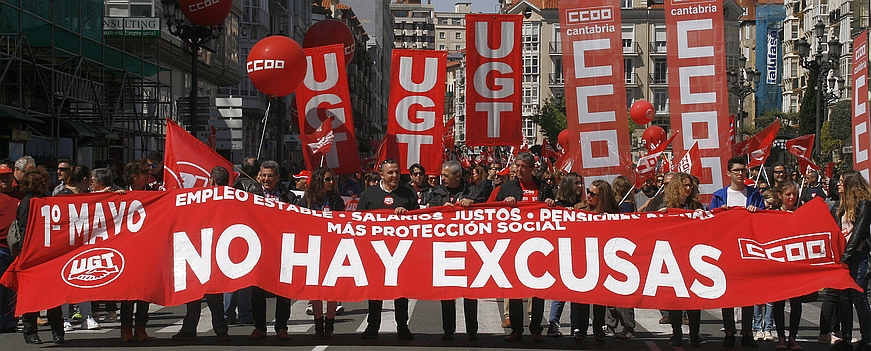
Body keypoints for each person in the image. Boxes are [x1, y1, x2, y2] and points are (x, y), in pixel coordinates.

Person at [496, 152, 555, 343]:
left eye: (523, 166)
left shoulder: (544, 188)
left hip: (538, 245)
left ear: (531, 169)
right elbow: (493, 212)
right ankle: (516, 329)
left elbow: (555, 213)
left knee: (537, 290)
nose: (519, 170)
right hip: (513, 244)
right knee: (515, 290)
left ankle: (536, 328)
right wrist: (505, 205)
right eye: (517, 166)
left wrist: (550, 204)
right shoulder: (506, 188)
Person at [358, 159, 419, 340]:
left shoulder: (407, 193)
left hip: (400, 250)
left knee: (401, 290)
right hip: (376, 250)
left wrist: (407, 214)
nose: (394, 176)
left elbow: (419, 219)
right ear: (382, 174)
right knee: (375, 290)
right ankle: (372, 326)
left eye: (397, 172)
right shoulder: (369, 193)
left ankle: (402, 326)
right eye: (390, 172)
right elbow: (359, 219)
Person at [172, 166, 232, 342]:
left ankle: (190, 328)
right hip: (216, 250)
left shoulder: (200, 197)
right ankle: (221, 330)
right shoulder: (232, 198)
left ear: (211, 180)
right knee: (214, 295)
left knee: (195, 293)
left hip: (199, 248)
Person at [710, 155, 765, 348]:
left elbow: (765, 220)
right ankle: (729, 331)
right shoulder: (719, 196)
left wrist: (756, 213)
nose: (741, 174)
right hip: (726, 251)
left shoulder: (755, 194)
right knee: (728, 293)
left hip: (748, 251)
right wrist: (720, 215)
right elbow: (709, 224)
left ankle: (747, 331)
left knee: (748, 293)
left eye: (744, 170)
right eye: (737, 171)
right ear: (729, 173)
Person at [427, 160, 481, 341]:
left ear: (457, 176)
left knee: (470, 293)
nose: (442, 178)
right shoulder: (437, 193)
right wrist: (442, 209)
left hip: (469, 248)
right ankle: (448, 330)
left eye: (445, 175)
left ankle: (472, 331)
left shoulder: (472, 191)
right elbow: (429, 214)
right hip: (445, 247)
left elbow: (484, 210)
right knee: (447, 292)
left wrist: (472, 204)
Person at [652, 173, 704, 347]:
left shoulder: (695, 205)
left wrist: (702, 215)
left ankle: (695, 334)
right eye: (684, 185)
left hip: (692, 256)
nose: (688, 188)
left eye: (690, 185)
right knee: (675, 299)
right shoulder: (666, 205)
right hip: (673, 256)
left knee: (693, 299)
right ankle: (677, 333)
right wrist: (661, 216)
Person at [17, 167, 64, 344]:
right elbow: (24, 230)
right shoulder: (28, 203)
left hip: (45, 254)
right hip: (33, 255)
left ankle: (55, 332)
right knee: (34, 296)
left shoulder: (45, 201)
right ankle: (33, 332)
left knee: (52, 296)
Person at [297, 167, 345, 339]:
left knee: (331, 289)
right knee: (316, 289)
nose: (331, 182)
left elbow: (342, 222)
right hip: (313, 247)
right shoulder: (306, 201)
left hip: (332, 248)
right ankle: (318, 325)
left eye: (332, 179)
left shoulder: (336, 201)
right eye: (327, 179)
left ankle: (330, 326)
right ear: (318, 181)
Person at [249, 160, 294, 340]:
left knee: (283, 290)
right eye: (264, 175)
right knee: (257, 291)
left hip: (282, 247)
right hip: (258, 248)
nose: (266, 179)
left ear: (277, 177)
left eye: (270, 176)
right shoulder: (252, 194)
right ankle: (259, 327)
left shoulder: (288, 197)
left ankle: (281, 327)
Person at [830, 170, 871, 351]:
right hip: (842, 258)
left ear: (849, 183)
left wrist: (846, 256)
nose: (838, 184)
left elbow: (859, 233)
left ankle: (867, 339)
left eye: (841, 181)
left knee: (859, 297)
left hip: (858, 257)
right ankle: (846, 339)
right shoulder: (839, 206)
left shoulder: (864, 203)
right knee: (843, 298)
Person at [571, 180, 613, 345]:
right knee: (582, 297)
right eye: (588, 191)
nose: (588, 195)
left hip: (602, 258)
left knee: (599, 299)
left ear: (602, 196)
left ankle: (598, 330)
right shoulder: (578, 208)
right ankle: (580, 329)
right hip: (582, 257)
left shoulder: (611, 212)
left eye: (593, 194)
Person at [546, 173, 586, 340]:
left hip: (580, 252)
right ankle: (553, 324)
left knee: (577, 292)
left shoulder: (585, 205)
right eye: (576, 183)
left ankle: (576, 327)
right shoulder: (557, 205)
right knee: (560, 292)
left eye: (581, 183)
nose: (580, 186)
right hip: (561, 251)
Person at [119, 160, 154, 341]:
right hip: (127, 249)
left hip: (147, 249)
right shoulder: (120, 194)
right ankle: (126, 328)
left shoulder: (155, 195)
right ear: (134, 176)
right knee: (128, 293)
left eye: (149, 171)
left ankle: (141, 327)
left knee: (144, 292)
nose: (149, 174)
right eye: (144, 171)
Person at [0, 163, 21, 333]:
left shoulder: (21, 196)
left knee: (12, 288)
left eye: (7, 176)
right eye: (1, 177)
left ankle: (10, 322)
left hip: (16, 250)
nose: (4, 180)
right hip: (0, 248)